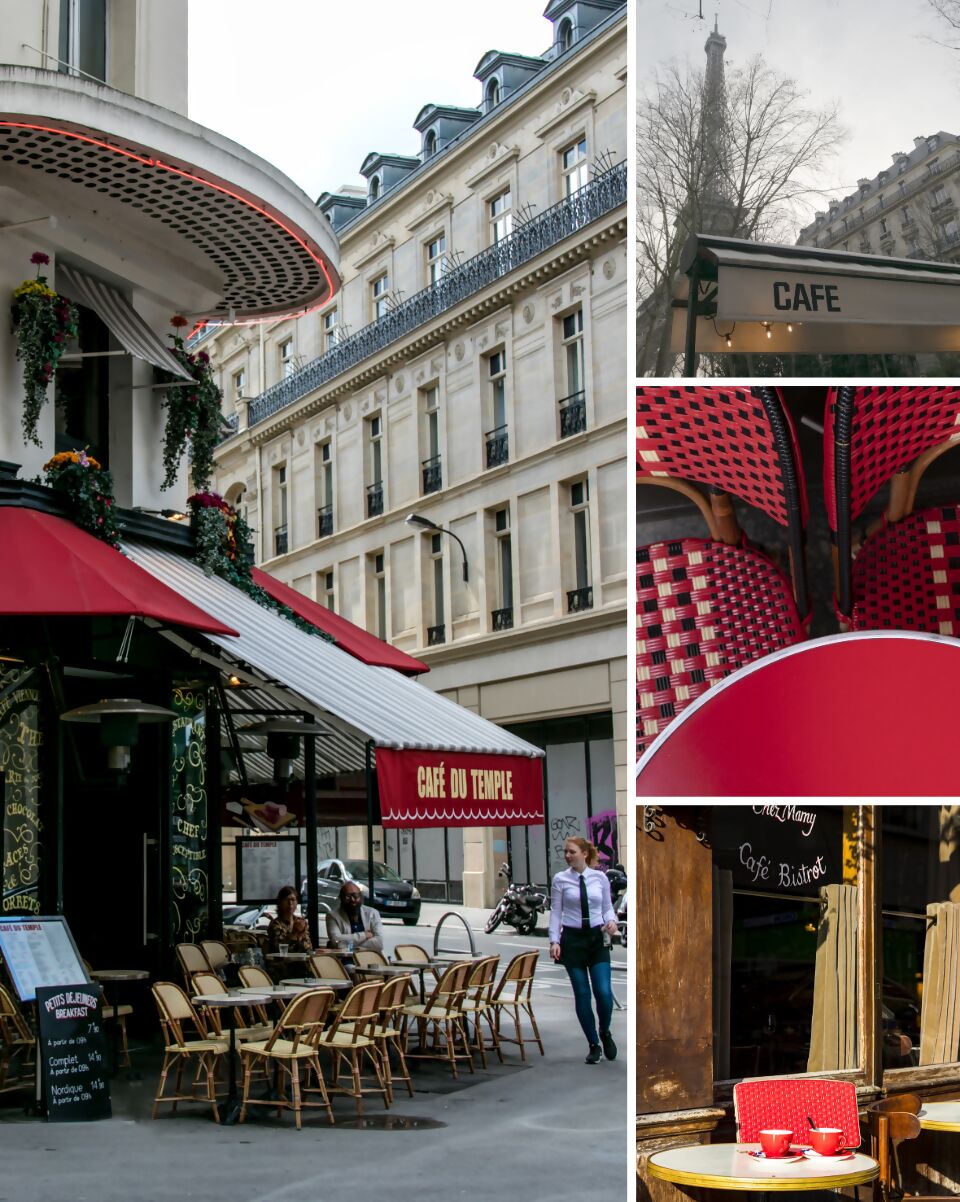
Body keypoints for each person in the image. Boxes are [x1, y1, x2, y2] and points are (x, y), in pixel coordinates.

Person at [549, 836, 619, 1064]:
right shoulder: (560, 880)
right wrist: (554, 941)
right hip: (572, 940)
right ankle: (593, 1045)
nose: (567, 856)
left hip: (597, 939)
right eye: (566, 852)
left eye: (572, 852)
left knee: (604, 994)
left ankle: (605, 1031)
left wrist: (612, 922)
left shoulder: (600, 878)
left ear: (584, 854)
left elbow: (608, 908)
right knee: (582, 994)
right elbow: (556, 912)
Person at [325, 882, 384, 952]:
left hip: (370, 958)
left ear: (361, 897)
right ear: (341, 898)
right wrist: (364, 935)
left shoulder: (372, 913)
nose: (352, 900)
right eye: (348, 896)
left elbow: (379, 943)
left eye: (355, 896)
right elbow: (335, 940)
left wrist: (349, 945)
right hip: (346, 960)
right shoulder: (332, 916)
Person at [266, 884, 312, 954]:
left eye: (293, 900)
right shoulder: (276, 924)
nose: (290, 903)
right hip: (282, 963)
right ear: (280, 903)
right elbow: (279, 949)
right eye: (286, 900)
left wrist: (300, 937)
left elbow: (308, 948)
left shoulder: (301, 922)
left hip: (301, 962)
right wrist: (294, 934)